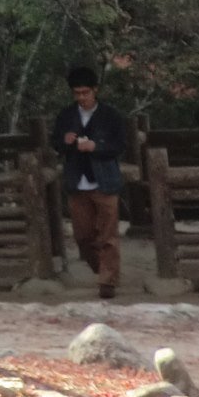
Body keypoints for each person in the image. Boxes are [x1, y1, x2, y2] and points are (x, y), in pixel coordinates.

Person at [51, 65, 127, 300]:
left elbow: (120, 145)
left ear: (95, 90)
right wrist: (65, 141)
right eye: (77, 93)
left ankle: (108, 281)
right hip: (77, 181)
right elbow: (55, 144)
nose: (82, 97)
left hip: (105, 181)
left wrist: (97, 146)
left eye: (85, 92)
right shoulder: (66, 115)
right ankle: (100, 267)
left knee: (108, 235)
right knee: (83, 237)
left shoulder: (111, 115)